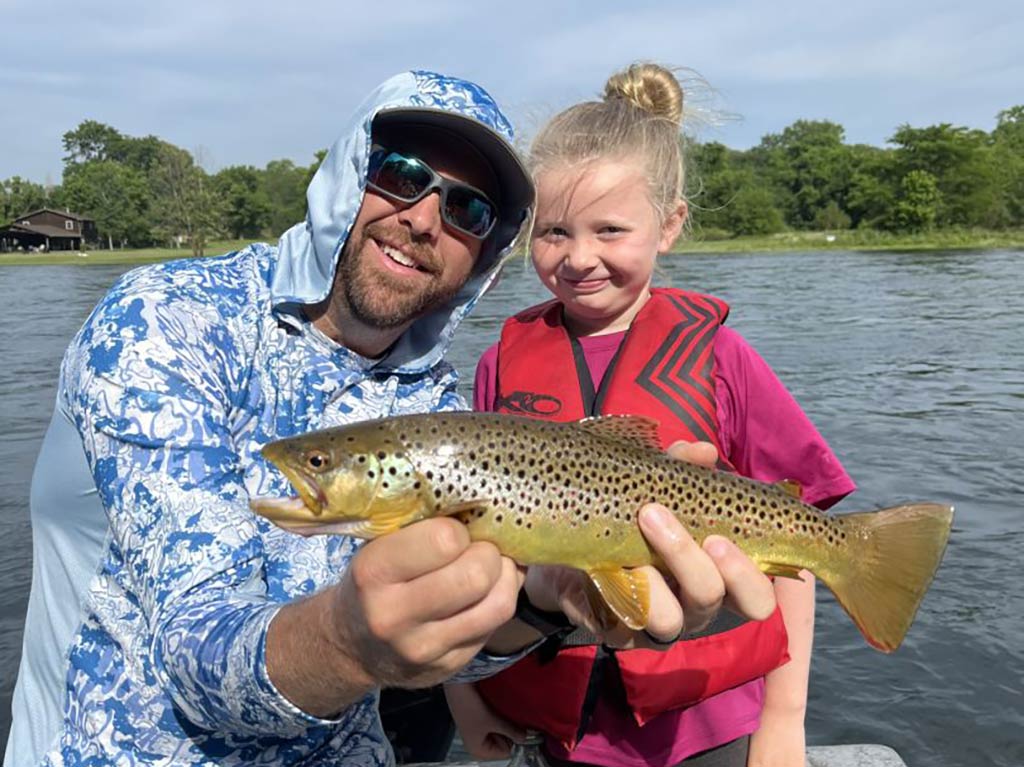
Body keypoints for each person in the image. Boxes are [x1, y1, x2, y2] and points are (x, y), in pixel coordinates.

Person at [4, 70, 778, 767]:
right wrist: (346, 642)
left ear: (486, 252)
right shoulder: (164, 321)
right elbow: (198, 656)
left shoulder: (436, 406)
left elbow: (444, 650)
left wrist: (544, 602)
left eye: (469, 208)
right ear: (347, 173)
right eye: (401, 174)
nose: (424, 217)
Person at [445, 63, 857, 767]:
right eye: (553, 232)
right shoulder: (499, 363)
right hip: (553, 722)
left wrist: (784, 722)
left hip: (705, 717)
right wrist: (468, 697)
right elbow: (467, 547)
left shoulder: (723, 357)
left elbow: (800, 543)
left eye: (610, 229)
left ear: (668, 226)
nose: (579, 258)